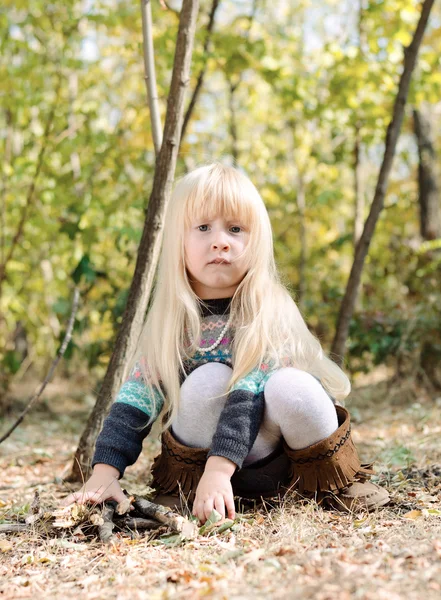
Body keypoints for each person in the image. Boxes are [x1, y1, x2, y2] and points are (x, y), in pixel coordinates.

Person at [63, 162, 389, 523]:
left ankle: (332, 483)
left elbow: (247, 395)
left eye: (235, 229)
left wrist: (220, 470)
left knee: (291, 386)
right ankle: (189, 490)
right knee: (209, 380)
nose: (220, 240)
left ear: (257, 241)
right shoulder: (174, 321)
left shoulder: (269, 309)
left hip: (284, 459)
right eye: (203, 227)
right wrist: (103, 473)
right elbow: (136, 399)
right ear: (178, 241)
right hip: (205, 468)